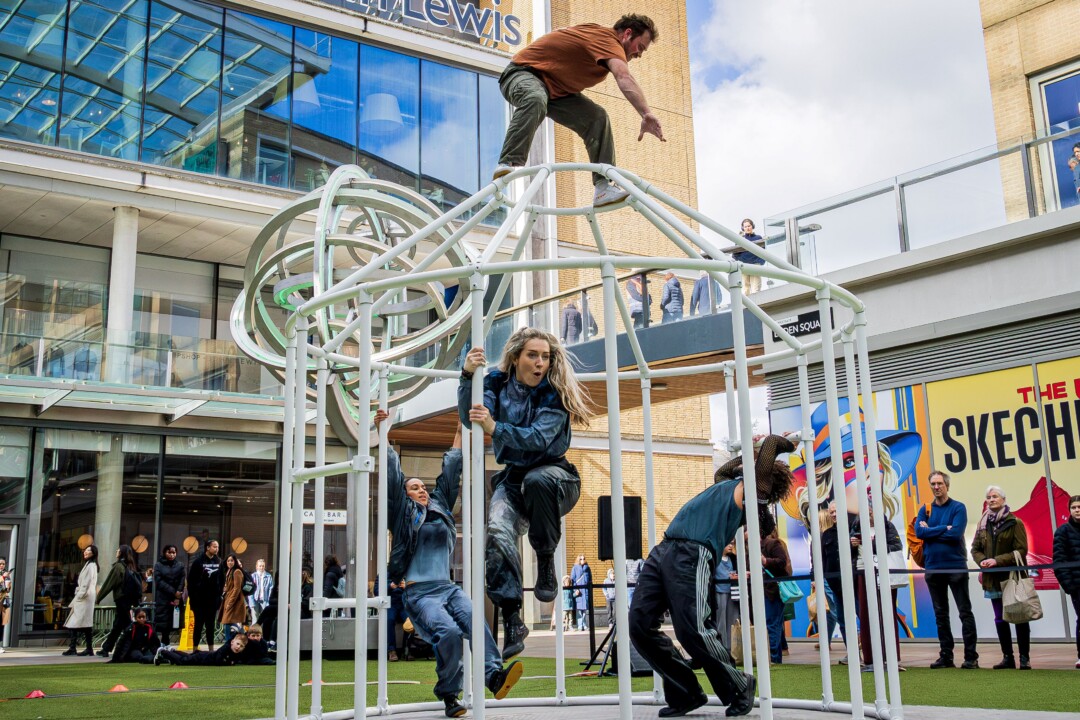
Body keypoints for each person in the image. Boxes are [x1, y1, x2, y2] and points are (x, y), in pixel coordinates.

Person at [629, 434, 796, 718]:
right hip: (664, 549)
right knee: (639, 625)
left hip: (692, 554)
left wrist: (787, 445)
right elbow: (726, 469)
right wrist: (750, 454)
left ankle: (739, 685)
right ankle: (686, 692)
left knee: (692, 629)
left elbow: (772, 444)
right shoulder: (727, 484)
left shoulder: (753, 492)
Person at [458, 327, 594, 660]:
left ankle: (545, 558)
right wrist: (466, 376)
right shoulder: (496, 381)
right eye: (533, 355)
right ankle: (512, 619)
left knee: (537, 480)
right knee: (497, 530)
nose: (540, 363)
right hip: (514, 480)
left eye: (545, 357)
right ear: (516, 357)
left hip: (556, 479)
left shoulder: (554, 393)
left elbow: (537, 439)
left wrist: (495, 428)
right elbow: (471, 416)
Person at [376, 410, 522, 718]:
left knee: (475, 621)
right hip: (420, 593)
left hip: (448, 588)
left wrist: (460, 429)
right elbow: (392, 474)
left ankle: (494, 677)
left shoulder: (440, 506)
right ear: (404, 495)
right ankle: (449, 695)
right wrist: (383, 434)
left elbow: (451, 471)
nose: (422, 490)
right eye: (414, 487)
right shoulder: (401, 514)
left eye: (423, 486)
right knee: (450, 633)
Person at [493, 14, 665, 208]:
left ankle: (603, 187)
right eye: (640, 47)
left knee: (597, 118)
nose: (639, 54)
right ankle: (508, 163)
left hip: (556, 92)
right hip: (521, 74)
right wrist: (645, 113)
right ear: (627, 34)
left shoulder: (597, 36)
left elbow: (565, 35)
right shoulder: (608, 41)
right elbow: (624, 77)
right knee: (535, 98)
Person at [916, 470, 979, 669]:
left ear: (947, 485)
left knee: (964, 612)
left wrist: (930, 531)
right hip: (933, 568)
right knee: (940, 614)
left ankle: (971, 657)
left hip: (956, 567)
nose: (936, 487)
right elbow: (919, 532)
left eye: (940, 484)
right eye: (933, 484)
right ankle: (946, 656)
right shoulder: (925, 509)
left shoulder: (958, 507)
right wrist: (944, 528)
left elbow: (956, 534)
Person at [970, 485, 1032, 670]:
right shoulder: (983, 524)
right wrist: (982, 561)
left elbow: (1022, 550)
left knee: (1019, 616)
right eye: (989, 497)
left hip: (1012, 578)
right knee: (999, 618)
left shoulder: (1015, 522)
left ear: (1003, 500)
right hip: (992, 579)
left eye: (995, 496)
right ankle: (1007, 658)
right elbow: (975, 549)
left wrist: (997, 560)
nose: (991, 500)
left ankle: (1024, 658)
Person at [850, 505, 904, 671]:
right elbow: (848, 553)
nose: (868, 516)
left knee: (887, 613)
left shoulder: (887, 526)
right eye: (864, 513)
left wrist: (871, 544)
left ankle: (891, 658)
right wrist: (852, 544)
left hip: (884, 574)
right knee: (866, 615)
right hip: (863, 573)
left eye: (870, 512)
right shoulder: (855, 528)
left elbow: (897, 545)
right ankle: (870, 659)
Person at [1053, 494, 1080, 669]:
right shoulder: (1062, 531)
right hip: (1077, 585)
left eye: (1079, 507)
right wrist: (1069, 586)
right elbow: (1059, 561)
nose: (1077, 510)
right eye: (1074, 507)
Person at [98, 544, 140, 658]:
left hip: (121, 599)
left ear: (121, 553)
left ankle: (134, 646)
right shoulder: (130, 566)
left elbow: (109, 583)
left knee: (127, 626)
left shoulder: (119, 567)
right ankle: (106, 648)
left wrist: (99, 597)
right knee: (119, 625)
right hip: (128, 599)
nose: (116, 551)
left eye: (118, 550)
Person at [758, 515, 790, 665]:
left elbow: (783, 561)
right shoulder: (749, 547)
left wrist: (766, 561)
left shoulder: (772, 543)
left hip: (772, 591)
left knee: (773, 623)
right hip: (760, 591)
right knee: (771, 623)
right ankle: (773, 656)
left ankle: (774, 658)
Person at [187, 539, 224, 651]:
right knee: (198, 625)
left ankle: (211, 650)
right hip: (199, 601)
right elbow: (191, 582)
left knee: (210, 626)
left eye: (217, 547)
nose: (216, 549)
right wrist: (193, 598)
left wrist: (219, 596)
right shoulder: (198, 561)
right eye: (214, 546)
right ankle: (195, 649)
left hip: (213, 600)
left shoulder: (219, 561)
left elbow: (222, 580)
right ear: (207, 548)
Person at [62, 544, 98, 656]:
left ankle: (74, 648)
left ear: (93, 553)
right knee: (85, 624)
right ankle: (88, 648)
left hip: (84, 598)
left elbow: (86, 584)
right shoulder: (89, 565)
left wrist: (79, 595)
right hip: (85, 597)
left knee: (74, 623)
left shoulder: (91, 566)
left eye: (88, 550)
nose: (85, 552)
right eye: (85, 550)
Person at [152, 544, 185, 646]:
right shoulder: (158, 565)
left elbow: (182, 580)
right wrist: (174, 592)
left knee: (174, 622)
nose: (171, 555)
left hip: (176, 598)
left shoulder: (180, 565)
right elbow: (159, 582)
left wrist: (178, 593)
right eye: (169, 552)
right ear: (164, 553)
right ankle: (164, 643)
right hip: (163, 598)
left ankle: (167, 644)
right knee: (163, 623)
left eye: (173, 553)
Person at [156, 633, 248, 666]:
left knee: (187, 656)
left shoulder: (237, 654)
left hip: (203, 656)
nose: (238, 647)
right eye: (238, 644)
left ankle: (173, 651)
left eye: (241, 646)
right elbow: (218, 661)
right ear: (232, 642)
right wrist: (229, 663)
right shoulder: (225, 648)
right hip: (202, 658)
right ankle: (163, 652)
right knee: (183, 661)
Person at [732, 219, 766, 294]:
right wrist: (740, 262)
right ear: (743, 228)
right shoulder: (740, 239)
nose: (747, 228)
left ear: (752, 226)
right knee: (745, 290)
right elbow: (735, 254)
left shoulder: (758, 238)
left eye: (749, 226)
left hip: (755, 265)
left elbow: (763, 252)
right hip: (744, 266)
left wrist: (760, 262)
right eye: (745, 227)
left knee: (756, 288)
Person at [220, 554, 248, 643]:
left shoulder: (237, 572)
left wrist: (230, 602)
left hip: (236, 601)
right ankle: (232, 642)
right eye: (228, 561)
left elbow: (237, 589)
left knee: (228, 622)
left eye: (232, 560)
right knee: (229, 623)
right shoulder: (229, 571)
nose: (230, 562)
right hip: (229, 599)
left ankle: (230, 643)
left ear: (235, 561)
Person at [712, 543, 736, 650]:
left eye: (732, 543)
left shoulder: (733, 558)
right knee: (720, 620)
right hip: (719, 591)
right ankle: (722, 646)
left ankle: (732, 648)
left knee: (732, 619)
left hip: (732, 592)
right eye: (728, 543)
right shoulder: (715, 558)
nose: (730, 546)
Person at [571, 554, 592, 631]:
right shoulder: (574, 568)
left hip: (585, 591)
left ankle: (584, 624)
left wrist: (589, 590)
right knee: (579, 609)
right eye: (581, 559)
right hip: (579, 591)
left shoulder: (587, 568)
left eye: (583, 559)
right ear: (578, 560)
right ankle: (580, 625)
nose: (582, 560)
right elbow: (572, 580)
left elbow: (590, 580)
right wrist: (575, 590)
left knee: (585, 609)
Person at [0, 557, 10, 651]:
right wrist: (3, 577)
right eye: (0, 564)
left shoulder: (6, 574)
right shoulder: (3, 575)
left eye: (3, 564)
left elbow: (7, 590)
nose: (2, 565)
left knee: (2, 623)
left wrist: (8, 584)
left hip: (4, 601)